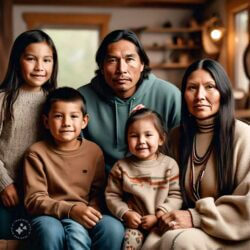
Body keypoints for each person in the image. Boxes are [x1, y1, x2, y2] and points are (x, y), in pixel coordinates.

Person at [142, 58, 250, 250]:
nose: (200, 95)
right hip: (188, 226)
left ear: (223, 93)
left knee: (179, 242)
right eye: (192, 88)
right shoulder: (177, 136)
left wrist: (196, 216)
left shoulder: (243, 136)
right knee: (150, 241)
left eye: (210, 86)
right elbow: (160, 187)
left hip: (233, 233)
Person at [23, 87, 124, 250]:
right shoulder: (36, 153)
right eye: (58, 116)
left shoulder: (94, 151)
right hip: (49, 215)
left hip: (85, 210)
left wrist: (91, 211)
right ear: (46, 122)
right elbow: (34, 199)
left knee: (112, 227)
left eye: (74, 116)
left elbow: (98, 192)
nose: (66, 123)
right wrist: (71, 211)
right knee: (49, 230)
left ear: (84, 121)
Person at [78, 29, 181, 175]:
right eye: (112, 60)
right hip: (100, 186)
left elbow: (183, 149)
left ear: (142, 64)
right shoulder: (81, 99)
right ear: (101, 67)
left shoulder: (170, 95)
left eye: (129, 59)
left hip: (157, 184)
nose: (121, 69)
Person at [0, 29, 58, 239]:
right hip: (8, 190)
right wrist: (4, 183)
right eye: (31, 59)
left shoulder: (56, 102)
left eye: (47, 60)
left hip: (44, 192)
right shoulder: (4, 100)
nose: (40, 67)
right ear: (18, 61)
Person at [105, 108, 182, 250]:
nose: (141, 141)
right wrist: (126, 213)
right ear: (126, 139)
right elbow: (112, 196)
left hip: (161, 223)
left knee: (172, 242)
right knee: (130, 241)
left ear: (161, 138)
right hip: (135, 226)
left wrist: (159, 215)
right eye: (134, 136)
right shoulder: (121, 167)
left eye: (148, 135)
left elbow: (176, 195)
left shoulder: (169, 165)